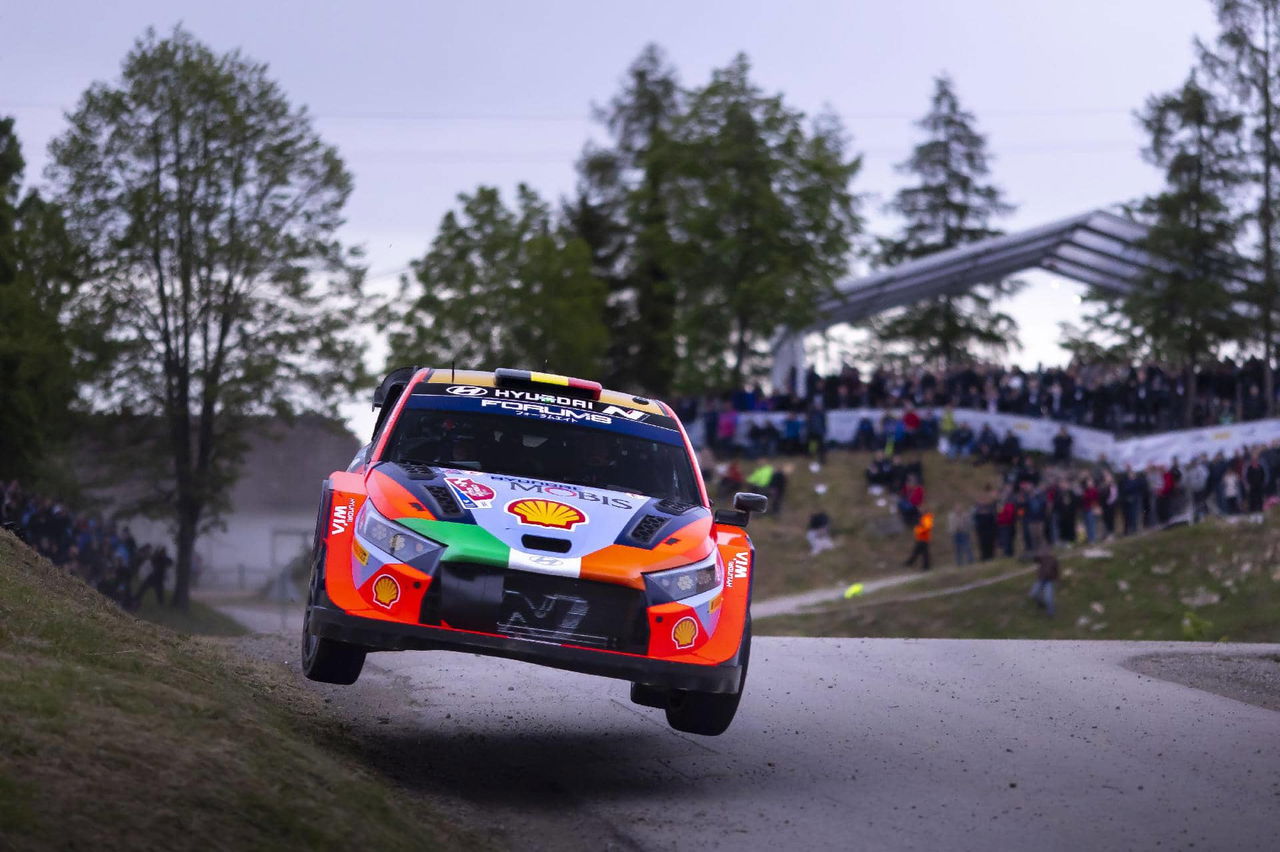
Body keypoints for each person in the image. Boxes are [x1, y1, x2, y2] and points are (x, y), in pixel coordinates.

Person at [1028, 545, 1060, 616]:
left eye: (1047, 551)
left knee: (1049, 598)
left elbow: (1057, 571)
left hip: (1049, 581)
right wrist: (1037, 554)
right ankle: (1040, 603)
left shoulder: (1054, 560)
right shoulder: (1041, 558)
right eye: (1044, 551)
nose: (1046, 553)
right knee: (1033, 594)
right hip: (1040, 579)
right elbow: (1035, 559)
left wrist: (1057, 580)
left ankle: (1050, 613)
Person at [973, 487, 998, 561]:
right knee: (983, 544)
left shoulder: (990, 508)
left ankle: (991, 557)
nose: (983, 501)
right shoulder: (976, 510)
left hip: (990, 530)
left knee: (991, 544)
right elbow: (976, 522)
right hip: (982, 531)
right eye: (981, 500)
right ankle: (984, 557)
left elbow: (994, 520)